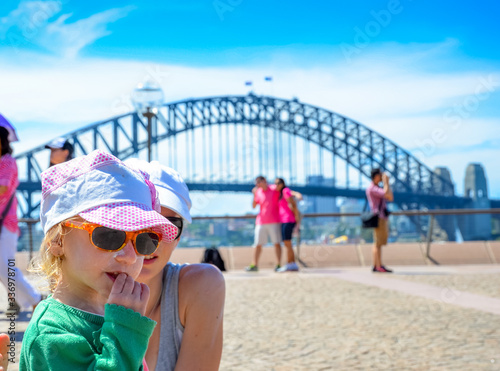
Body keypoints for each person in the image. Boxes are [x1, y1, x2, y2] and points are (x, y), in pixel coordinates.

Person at [19, 150, 179, 370]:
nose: (130, 257)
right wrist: (126, 328)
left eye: (144, 241)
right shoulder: (52, 332)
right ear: (57, 240)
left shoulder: (109, 312)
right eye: (109, 235)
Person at [125, 159, 225, 371]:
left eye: (169, 225)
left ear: (179, 236)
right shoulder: (75, 300)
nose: (152, 240)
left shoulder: (201, 286)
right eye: (140, 222)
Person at [0, 127, 43, 314]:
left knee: (4, 266)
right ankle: (33, 300)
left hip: (4, 224)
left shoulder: (7, 162)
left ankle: (36, 300)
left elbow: (3, 188)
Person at [245, 176, 282, 272]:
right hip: (261, 221)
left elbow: (285, 191)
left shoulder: (274, 188)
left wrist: (296, 194)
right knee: (257, 244)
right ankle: (254, 265)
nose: (257, 184)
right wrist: (254, 194)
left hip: (274, 221)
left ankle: (278, 264)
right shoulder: (258, 192)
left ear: (264, 181)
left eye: (258, 182)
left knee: (277, 243)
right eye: (256, 183)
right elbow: (253, 206)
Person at [366, 168, 394, 273]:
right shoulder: (372, 188)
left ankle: (376, 265)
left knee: (378, 243)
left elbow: (390, 197)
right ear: (376, 176)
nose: (382, 177)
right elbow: (387, 194)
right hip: (379, 218)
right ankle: (378, 266)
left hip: (380, 217)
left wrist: (386, 183)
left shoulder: (376, 187)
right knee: (378, 243)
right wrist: (386, 182)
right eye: (380, 175)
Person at [273, 178, 300, 272]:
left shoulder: (285, 191)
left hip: (288, 220)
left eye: (277, 183)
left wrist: (297, 221)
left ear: (282, 184)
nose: (275, 185)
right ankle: (292, 264)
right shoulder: (282, 192)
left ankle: (290, 264)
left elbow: (293, 204)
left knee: (287, 243)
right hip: (285, 221)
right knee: (288, 243)